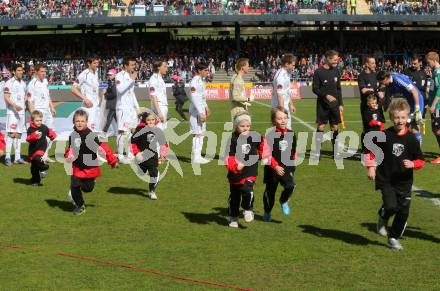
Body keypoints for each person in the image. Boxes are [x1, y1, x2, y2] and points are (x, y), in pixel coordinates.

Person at [365, 99, 424, 251]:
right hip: (387, 179)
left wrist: (413, 164)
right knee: (391, 206)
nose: (400, 121)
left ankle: (393, 238)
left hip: (404, 182)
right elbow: (370, 150)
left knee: (403, 212)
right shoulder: (385, 135)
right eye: (397, 117)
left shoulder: (412, 138)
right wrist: (371, 167)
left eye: (403, 118)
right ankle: (383, 216)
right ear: (391, 117)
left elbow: (421, 160)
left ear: (407, 118)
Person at [225, 111, 274, 228]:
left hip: (250, 170)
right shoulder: (232, 139)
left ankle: (247, 209)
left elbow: (263, 145)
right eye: (242, 126)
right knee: (235, 196)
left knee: (247, 189)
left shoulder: (255, 136)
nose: (245, 128)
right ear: (236, 126)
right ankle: (233, 217)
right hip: (235, 173)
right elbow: (228, 158)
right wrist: (236, 166)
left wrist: (265, 157)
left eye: (248, 126)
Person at [65, 109, 118, 215]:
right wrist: (68, 156)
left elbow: (104, 148)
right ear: (74, 122)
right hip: (77, 167)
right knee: (74, 186)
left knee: (87, 189)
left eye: (82, 121)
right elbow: (70, 149)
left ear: (86, 122)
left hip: (90, 168)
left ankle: (91, 183)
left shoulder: (91, 136)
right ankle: (80, 206)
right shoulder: (72, 135)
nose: (80, 123)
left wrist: (113, 161)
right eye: (77, 121)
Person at [262, 107, 297, 222]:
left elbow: (293, 152)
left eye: (285, 118)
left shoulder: (292, 134)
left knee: (290, 186)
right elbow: (266, 155)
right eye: (279, 118)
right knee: (270, 194)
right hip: (272, 169)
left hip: (286, 167)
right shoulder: (269, 135)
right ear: (274, 121)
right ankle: (267, 212)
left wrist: (292, 167)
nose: (283, 121)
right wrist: (275, 166)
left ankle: (283, 200)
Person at [377, 71, 424, 144]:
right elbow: (387, 98)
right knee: (403, 126)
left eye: (382, 82)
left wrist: (417, 109)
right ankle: (404, 148)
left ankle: (417, 150)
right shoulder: (389, 83)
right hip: (409, 102)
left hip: (417, 101)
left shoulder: (398, 79)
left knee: (414, 126)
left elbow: (414, 91)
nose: (382, 84)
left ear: (386, 78)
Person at [312, 50, 343, 159]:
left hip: (334, 105)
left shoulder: (336, 71)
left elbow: (339, 89)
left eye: (337, 59)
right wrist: (326, 96)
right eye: (335, 59)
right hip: (322, 105)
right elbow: (315, 89)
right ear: (328, 58)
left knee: (335, 127)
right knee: (321, 126)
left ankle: (336, 152)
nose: (336, 61)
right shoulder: (318, 72)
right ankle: (317, 152)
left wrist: (341, 104)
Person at [131, 111, 169, 200]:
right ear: (145, 121)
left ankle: (152, 192)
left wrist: (163, 156)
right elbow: (133, 143)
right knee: (141, 172)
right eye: (149, 120)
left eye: (153, 119)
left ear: (155, 120)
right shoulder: (140, 130)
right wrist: (137, 153)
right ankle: (141, 168)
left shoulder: (158, 130)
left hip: (152, 157)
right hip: (141, 158)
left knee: (154, 174)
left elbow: (164, 144)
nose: (151, 121)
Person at [26, 63, 57, 162]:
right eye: (42, 71)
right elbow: (29, 101)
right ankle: (35, 155)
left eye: (45, 71)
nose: (44, 74)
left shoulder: (45, 81)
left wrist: (52, 107)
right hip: (39, 111)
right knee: (39, 135)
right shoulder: (32, 84)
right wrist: (33, 115)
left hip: (47, 111)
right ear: (36, 72)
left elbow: (48, 96)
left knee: (51, 133)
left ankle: (45, 155)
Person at [115, 58, 139, 164]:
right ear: (125, 65)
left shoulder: (130, 76)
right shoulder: (119, 76)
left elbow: (131, 93)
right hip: (122, 108)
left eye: (134, 65)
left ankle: (129, 153)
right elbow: (120, 90)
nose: (134, 67)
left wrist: (137, 108)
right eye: (132, 64)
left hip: (131, 109)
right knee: (122, 131)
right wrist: (131, 80)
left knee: (130, 132)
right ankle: (120, 155)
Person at [3, 63, 27, 166]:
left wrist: (25, 104)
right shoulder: (9, 83)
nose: (21, 72)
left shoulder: (23, 83)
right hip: (12, 113)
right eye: (19, 70)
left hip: (21, 113)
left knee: (18, 135)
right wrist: (15, 106)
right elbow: (6, 97)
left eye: (22, 70)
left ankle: (17, 157)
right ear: (14, 72)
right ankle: (8, 157)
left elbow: (25, 96)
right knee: (11, 134)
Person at [71, 56, 101, 132]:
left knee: (96, 130)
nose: (97, 65)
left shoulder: (96, 71)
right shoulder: (84, 74)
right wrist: (85, 99)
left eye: (97, 63)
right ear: (89, 63)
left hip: (96, 105)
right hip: (88, 106)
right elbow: (73, 89)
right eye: (94, 63)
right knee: (89, 129)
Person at [26, 110, 56, 186]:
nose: (39, 122)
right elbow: (28, 139)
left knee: (37, 158)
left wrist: (52, 135)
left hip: (41, 148)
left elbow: (49, 132)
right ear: (32, 121)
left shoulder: (43, 127)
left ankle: (44, 167)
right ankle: (35, 181)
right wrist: (34, 136)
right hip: (33, 149)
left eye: (40, 120)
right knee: (33, 168)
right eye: (37, 120)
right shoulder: (30, 129)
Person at [189, 62, 211, 164]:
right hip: (196, 112)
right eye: (205, 70)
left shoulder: (201, 81)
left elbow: (202, 97)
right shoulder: (194, 81)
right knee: (197, 134)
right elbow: (194, 97)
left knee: (201, 133)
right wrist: (200, 112)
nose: (208, 72)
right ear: (199, 71)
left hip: (201, 110)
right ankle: (195, 158)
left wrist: (206, 107)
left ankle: (198, 156)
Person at [272, 54, 297, 130]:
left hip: (284, 105)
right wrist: (281, 110)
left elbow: (286, 91)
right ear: (286, 64)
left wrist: (291, 104)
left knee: (285, 129)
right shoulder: (281, 77)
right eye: (292, 65)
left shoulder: (287, 73)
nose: (294, 67)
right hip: (280, 105)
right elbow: (280, 95)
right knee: (285, 128)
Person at [425, 51, 440, 164]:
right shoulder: (435, 72)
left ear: (434, 60)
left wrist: (434, 105)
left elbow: (439, 90)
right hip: (434, 106)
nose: (428, 64)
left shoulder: (438, 72)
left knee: (438, 130)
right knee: (435, 130)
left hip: (438, 107)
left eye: (429, 62)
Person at [149, 61, 168, 130]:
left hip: (163, 107)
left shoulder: (160, 78)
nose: (167, 69)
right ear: (158, 67)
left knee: (162, 131)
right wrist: (159, 112)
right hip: (159, 107)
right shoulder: (154, 79)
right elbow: (153, 96)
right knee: (158, 131)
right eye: (165, 66)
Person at [101, 68, 118, 137]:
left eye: (111, 75)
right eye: (108, 75)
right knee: (117, 119)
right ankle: (124, 131)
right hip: (113, 103)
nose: (109, 76)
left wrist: (105, 94)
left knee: (109, 118)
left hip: (114, 103)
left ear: (114, 75)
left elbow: (114, 93)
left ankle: (104, 132)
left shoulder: (114, 82)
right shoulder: (111, 82)